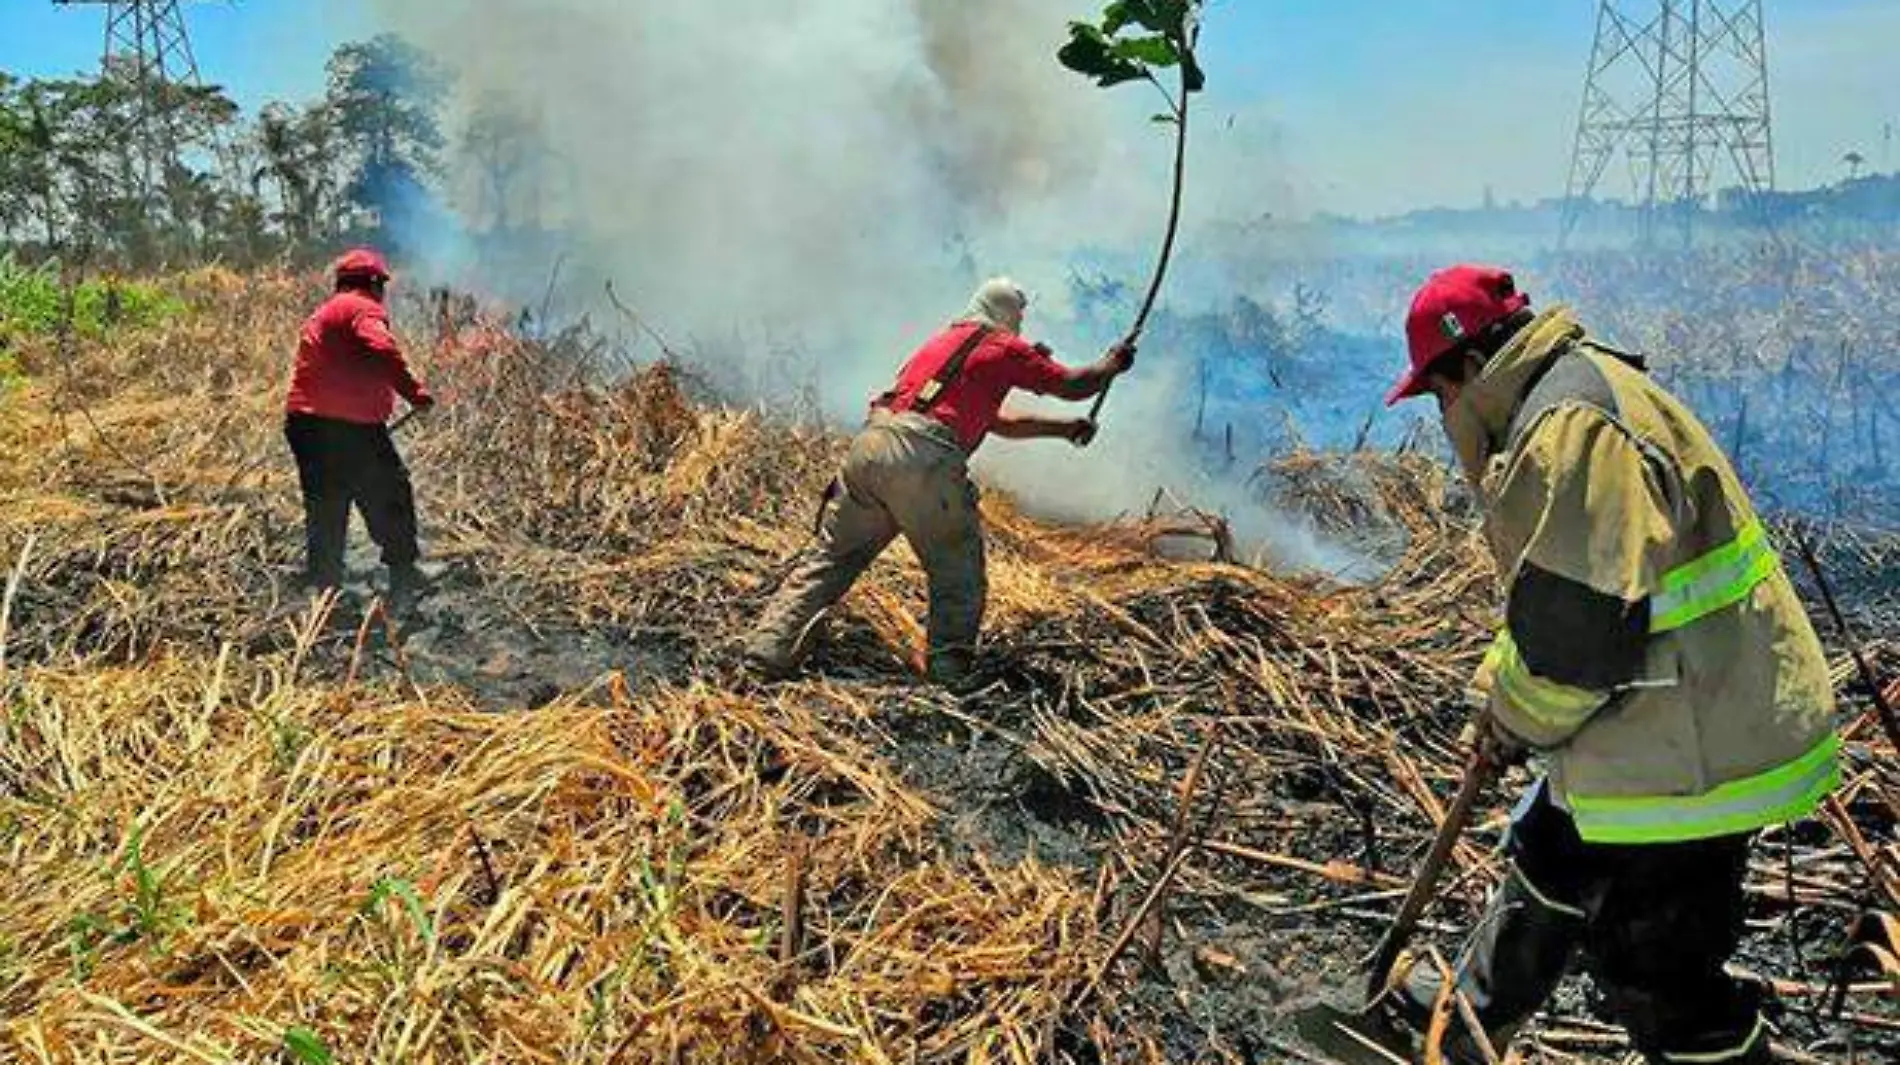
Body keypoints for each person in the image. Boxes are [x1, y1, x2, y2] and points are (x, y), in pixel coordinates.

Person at [1379, 264, 1839, 1064]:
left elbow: (1580, 641)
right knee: (1551, 844)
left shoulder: (1573, 429)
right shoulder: (1570, 397)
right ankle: (1460, 1024)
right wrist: (1498, 700)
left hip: (1699, 744)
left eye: (1439, 393)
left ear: (1470, 370)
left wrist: (1516, 720)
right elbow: (1554, 599)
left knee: (1661, 979)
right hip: (1667, 715)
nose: (1444, 414)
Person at [746, 277, 1134, 686]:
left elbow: (997, 421)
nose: (1022, 322)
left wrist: (1063, 430)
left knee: (831, 559)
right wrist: (1112, 363)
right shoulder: (1004, 346)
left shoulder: (942, 343)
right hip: (924, 458)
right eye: (1020, 313)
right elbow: (1074, 385)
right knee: (957, 574)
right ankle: (948, 677)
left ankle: (766, 654)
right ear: (1007, 312)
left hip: (870, 447)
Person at [284, 248, 436, 611]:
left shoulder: (324, 312)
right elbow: (380, 346)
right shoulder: (362, 307)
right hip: (349, 428)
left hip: (305, 424)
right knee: (390, 495)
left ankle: (325, 591)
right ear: (374, 283)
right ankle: (402, 580)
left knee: (326, 504)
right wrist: (415, 394)